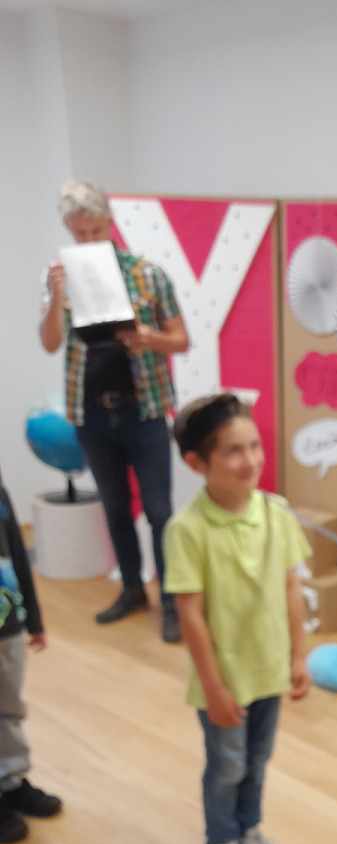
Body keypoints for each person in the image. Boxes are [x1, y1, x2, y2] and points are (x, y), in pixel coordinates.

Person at [164, 393, 312, 844]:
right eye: (232, 450)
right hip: (224, 678)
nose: (249, 460)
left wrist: (298, 655)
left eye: (254, 446)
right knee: (227, 764)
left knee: (258, 758)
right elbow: (190, 614)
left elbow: (291, 586)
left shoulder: (277, 513)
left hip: (269, 668)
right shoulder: (187, 529)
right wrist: (213, 687)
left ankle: (249, 830)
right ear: (196, 463)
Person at [38, 179, 189, 644]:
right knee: (116, 508)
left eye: (96, 231)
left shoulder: (148, 275)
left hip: (144, 409)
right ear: (68, 228)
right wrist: (56, 296)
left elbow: (181, 340)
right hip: (92, 414)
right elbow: (49, 343)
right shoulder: (58, 276)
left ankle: (172, 603)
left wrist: (149, 337)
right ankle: (131, 590)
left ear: (110, 223)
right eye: (79, 232)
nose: (88, 240)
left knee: (160, 511)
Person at [0, 478, 63, 844]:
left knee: (9, 708)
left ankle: (10, 781)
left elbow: (17, 554)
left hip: (7, 624)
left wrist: (33, 618)